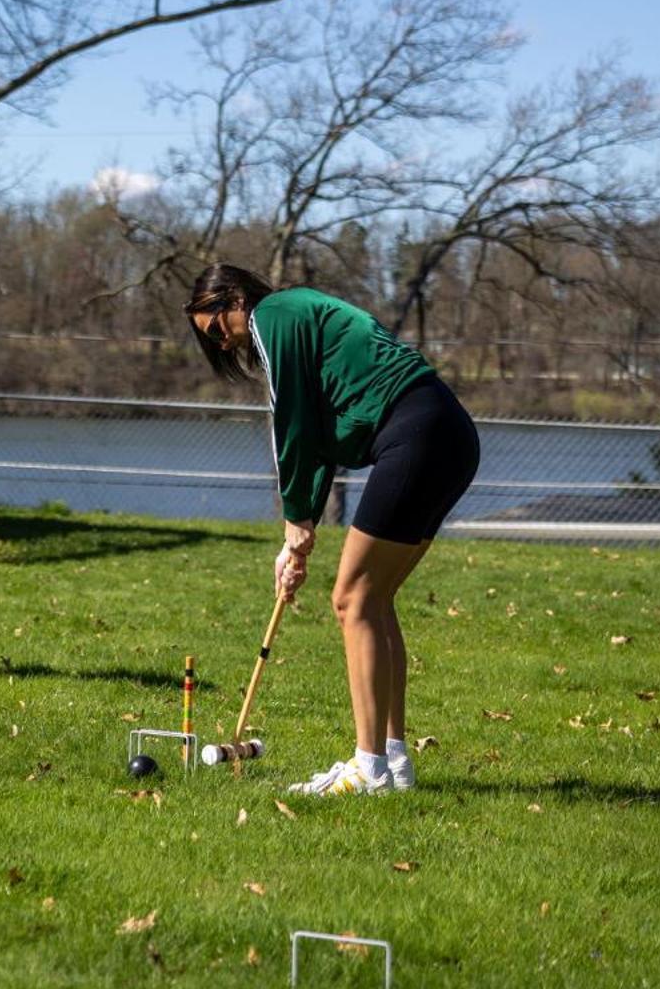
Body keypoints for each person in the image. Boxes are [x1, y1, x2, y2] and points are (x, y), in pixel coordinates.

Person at [184, 264, 480, 796]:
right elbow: (319, 438)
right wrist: (298, 537)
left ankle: (367, 769)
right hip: (447, 433)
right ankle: (393, 762)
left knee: (350, 600)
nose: (223, 345)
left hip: (416, 432)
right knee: (375, 599)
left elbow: (291, 423)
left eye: (216, 330)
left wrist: (295, 521)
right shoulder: (297, 318)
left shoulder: (272, 315)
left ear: (233, 299)